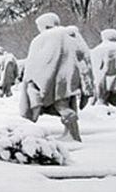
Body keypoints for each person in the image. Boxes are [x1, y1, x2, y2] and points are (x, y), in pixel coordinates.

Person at [19, 12, 86, 142]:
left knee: (61, 106)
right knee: (66, 104)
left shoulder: (42, 39)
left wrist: (34, 83)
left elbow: (38, 64)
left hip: (53, 81)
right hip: (69, 79)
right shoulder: (71, 36)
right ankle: (72, 133)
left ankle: (73, 135)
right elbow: (83, 57)